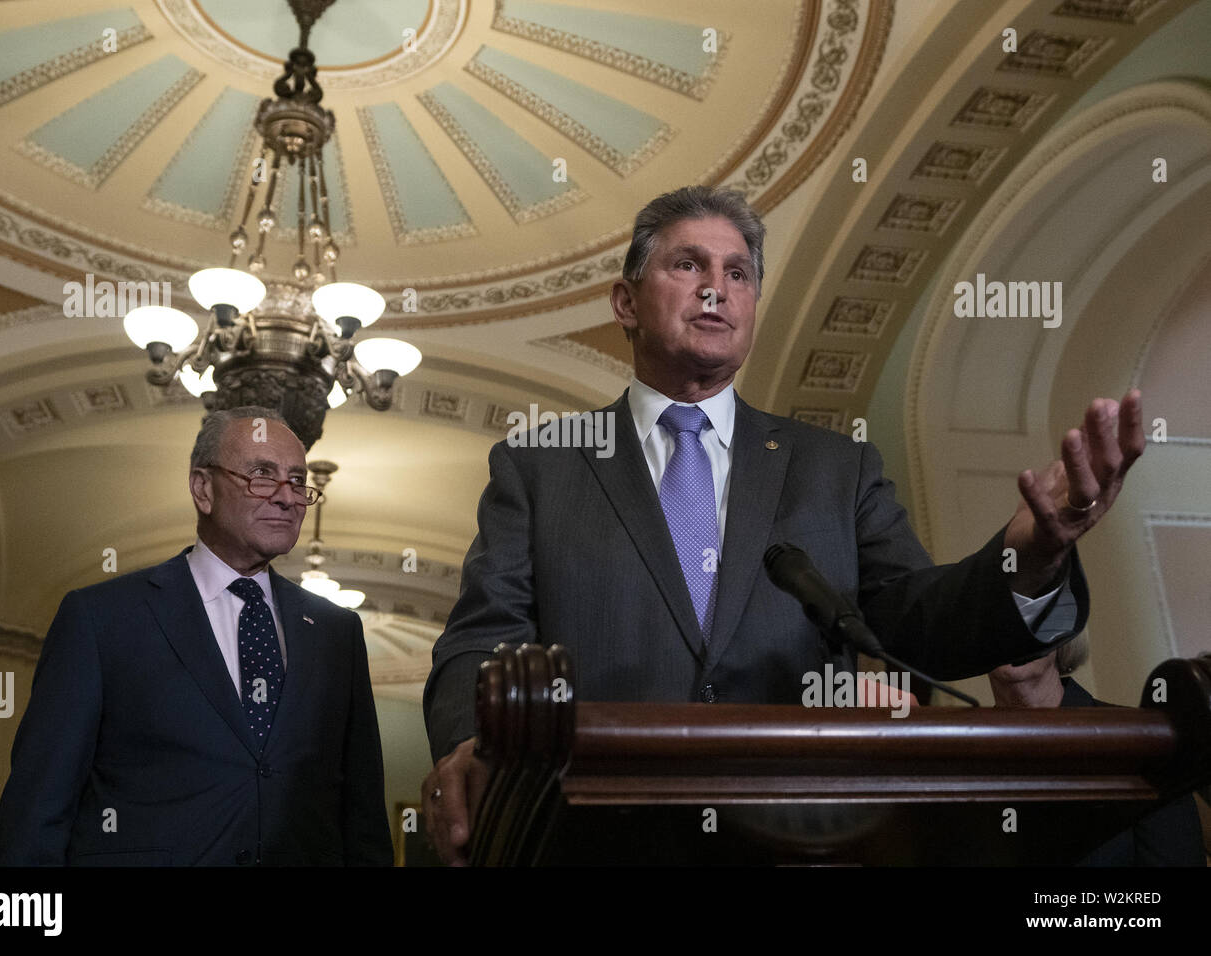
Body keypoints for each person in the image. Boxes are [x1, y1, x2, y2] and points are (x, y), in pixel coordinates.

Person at [421, 185, 1146, 864]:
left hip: (799, 833)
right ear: (626, 303)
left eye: (739, 274)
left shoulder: (837, 468)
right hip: (593, 837)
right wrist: (464, 742)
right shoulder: (542, 464)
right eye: (687, 264)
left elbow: (916, 623)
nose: (717, 287)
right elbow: (483, 636)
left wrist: (1033, 552)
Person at [0, 406, 392, 865]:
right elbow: (38, 809)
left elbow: (362, 815)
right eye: (262, 475)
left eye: (298, 481)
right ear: (203, 488)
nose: (288, 498)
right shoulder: (102, 618)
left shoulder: (336, 631)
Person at [988, 639, 1205, 865]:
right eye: (992, 621)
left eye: (1028, 614)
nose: (1009, 633)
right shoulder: (958, 758)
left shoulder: (1144, 740)